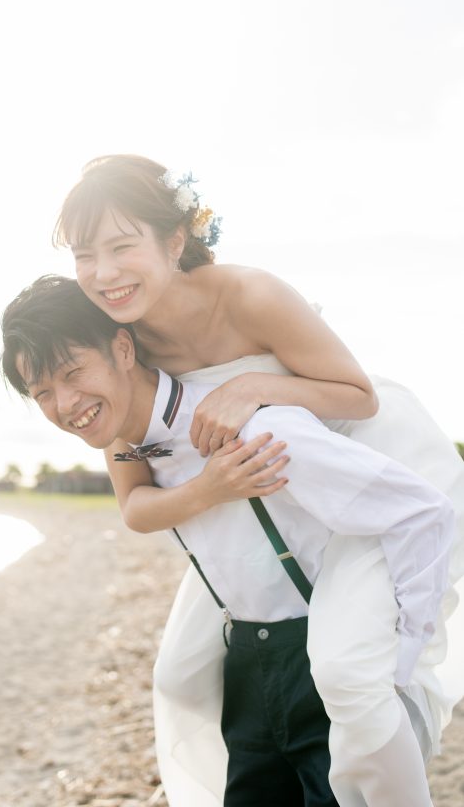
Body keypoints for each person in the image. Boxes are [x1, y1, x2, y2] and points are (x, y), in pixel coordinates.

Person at [52, 154, 464, 806]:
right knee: (181, 675)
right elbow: (131, 482)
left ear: (175, 240)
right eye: (83, 255)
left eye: (121, 247)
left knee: (348, 669)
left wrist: (252, 387)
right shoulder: (119, 339)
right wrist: (208, 488)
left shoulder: (249, 294)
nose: (103, 273)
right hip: (263, 492)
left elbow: (358, 397)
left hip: (364, 467)